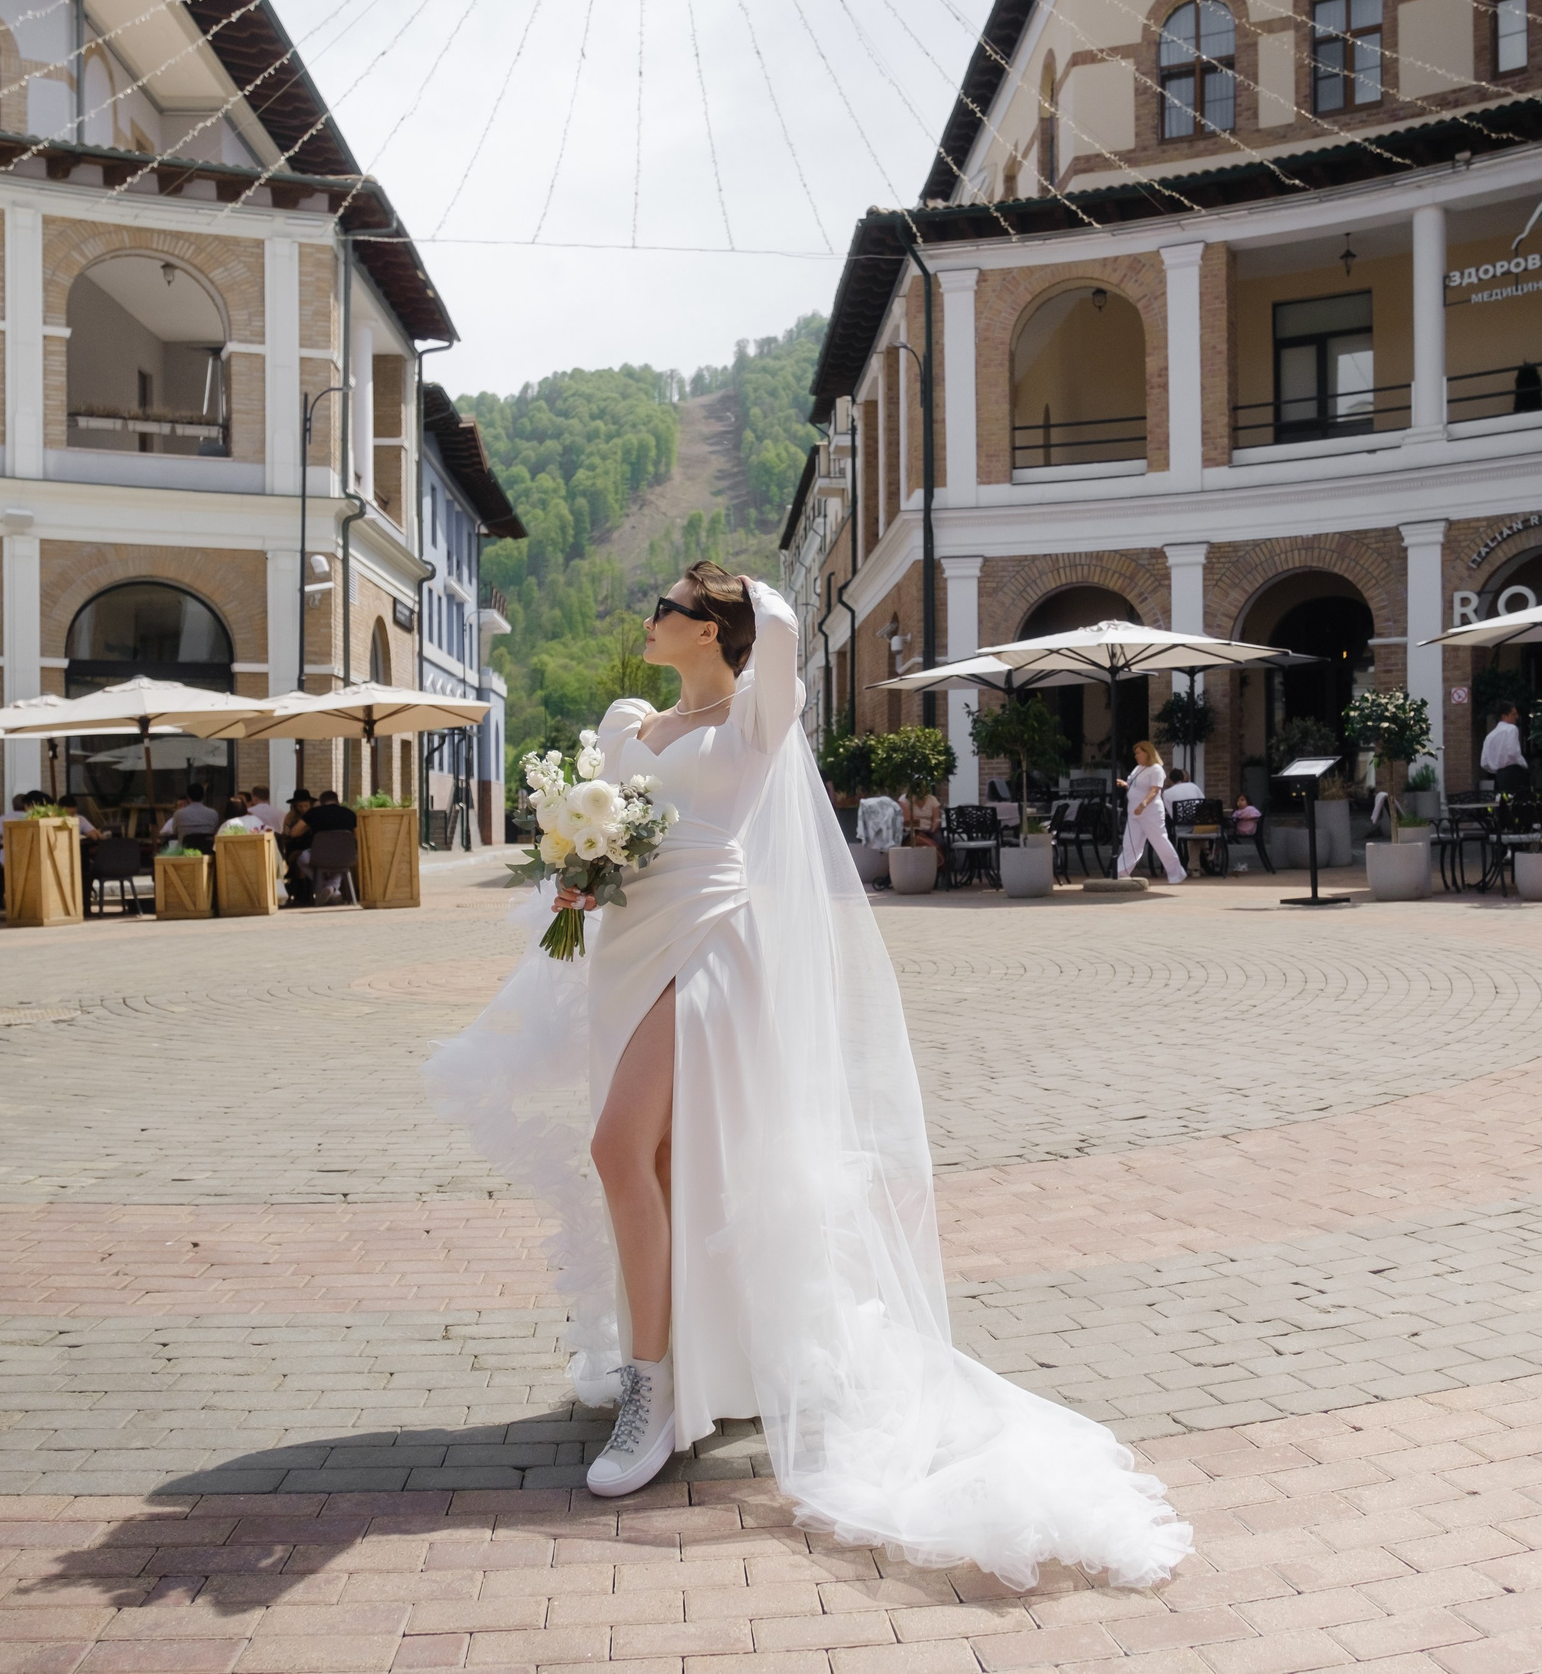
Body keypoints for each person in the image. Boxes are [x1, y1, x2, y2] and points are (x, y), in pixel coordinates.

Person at [424, 561, 1190, 1585]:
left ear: (710, 630)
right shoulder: (624, 725)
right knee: (655, 1162)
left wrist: (745, 585)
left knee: (615, 1150)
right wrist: (578, 869)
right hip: (623, 951)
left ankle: (651, 1395)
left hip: (708, 944)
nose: (648, 618)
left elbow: (780, 628)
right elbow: (607, 836)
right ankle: (684, 1364)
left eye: (669, 608)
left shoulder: (757, 718)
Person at [1112, 740, 1186, 883]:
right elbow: (1138, 787)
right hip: (1134, 812)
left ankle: (1176, 873)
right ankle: (1121, 872)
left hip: (1150, 812)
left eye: (1139, 753)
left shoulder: (1156, 769)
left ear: (1148, 753)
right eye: (1136, 753)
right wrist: (1126, 785)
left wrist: (1143, 804)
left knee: (1160, 842)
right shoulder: (1138, 768)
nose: (1136, 756)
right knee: (1130, 843)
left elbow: (1154, 790)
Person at [298, 788, 359, 904]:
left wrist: (308, 827)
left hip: (319, 856)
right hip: (345, 856)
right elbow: (358, 836)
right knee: (340, 864)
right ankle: (332, 890)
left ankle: (325, 888)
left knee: (302, 859)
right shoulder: (350, 814)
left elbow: (294, 832)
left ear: (321, 802)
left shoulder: (313, 813)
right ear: (337, 801)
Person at [1479, 703, 1528, 794]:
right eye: (1513, 714)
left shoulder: (1490, 736)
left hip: (1499, 776)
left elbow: (1484, 762)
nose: (1516, 717)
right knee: (1519, 803)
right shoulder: (1511, 729)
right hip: (1514, 773)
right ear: (1504, 716)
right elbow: (1513, 753)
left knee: (1504, 803)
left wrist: (1496, 769)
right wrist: (1523, 765)